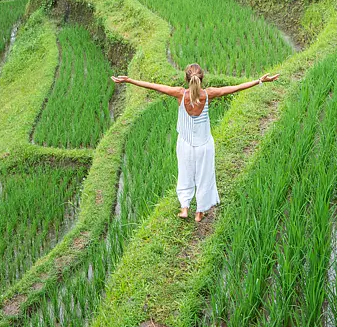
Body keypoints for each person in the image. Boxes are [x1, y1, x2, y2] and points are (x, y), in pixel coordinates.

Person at [111, 63, 279, 223]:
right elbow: (234, 88)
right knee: (205, 176)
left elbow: (154, 86)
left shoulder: (180, 94)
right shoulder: (208, 94)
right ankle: (199, 212)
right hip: (204, 145)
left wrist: (129, 80)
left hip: (185, 144)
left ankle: (184, 208)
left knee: (185, 174)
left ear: (186, 78)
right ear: (202, 78)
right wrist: (259, 80)